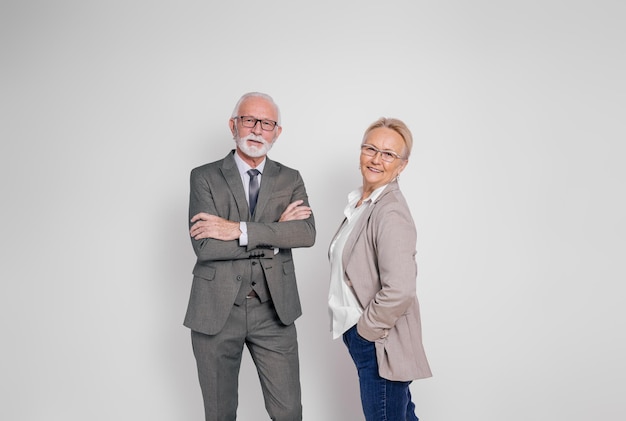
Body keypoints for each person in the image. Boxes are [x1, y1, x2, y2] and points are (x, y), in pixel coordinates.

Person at [185, 92, 316, 421]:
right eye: (249, 120)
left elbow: (305, 234)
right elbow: (206, 246)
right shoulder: (204, 177)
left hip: (275, 312)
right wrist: (274, 236)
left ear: (277, 132)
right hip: (215, 312)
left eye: (267, 123)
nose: (257, 129)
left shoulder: (291, 179)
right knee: (220, 414)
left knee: (288, 413)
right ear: (233, 125)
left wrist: (237, 230)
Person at [328, 117, 432, 420]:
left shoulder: (390, 211)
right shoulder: (362, 204)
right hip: (369, 338)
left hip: (380, 343)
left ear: (402, 165)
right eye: (370, 148)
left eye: (388, 154)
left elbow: (400, 289)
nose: (376, 159)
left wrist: (365, 333)